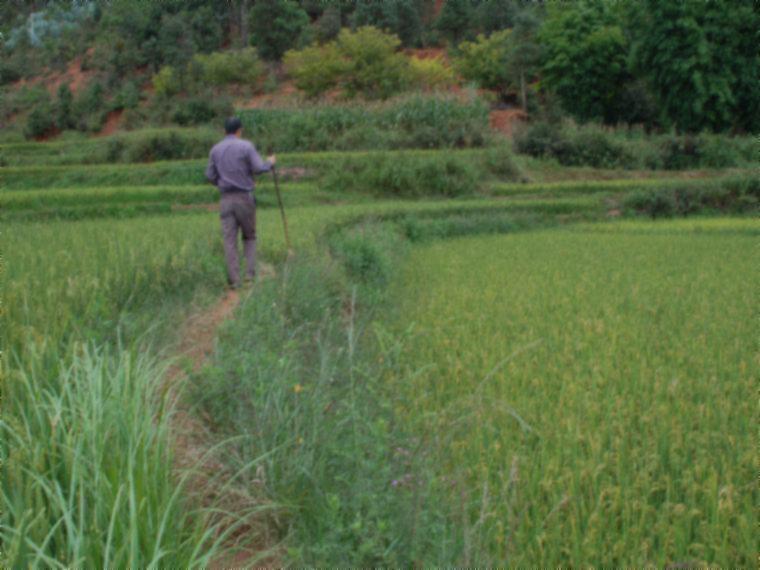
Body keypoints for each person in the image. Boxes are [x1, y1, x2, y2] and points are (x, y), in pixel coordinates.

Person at [205, 116, 276, 289]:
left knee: (229, 240)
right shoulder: (246, 146)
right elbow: (259, 168)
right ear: (239, 130)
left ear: (224, 131)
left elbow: (209, 176)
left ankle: (234, 280)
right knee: (249, 236)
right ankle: (249, 276)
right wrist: (270, 163)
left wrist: (221, 183)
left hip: (225, 199)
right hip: (244, 197)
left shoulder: (215, 150)